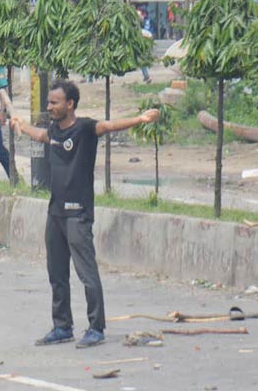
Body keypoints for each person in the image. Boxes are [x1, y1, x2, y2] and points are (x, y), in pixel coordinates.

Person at [9, 80, 160, 349]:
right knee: (56, 273)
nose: (49, 107)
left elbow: (109, 126)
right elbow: (40, 135)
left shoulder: (86, 129)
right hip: (55, 213)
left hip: (78, 214)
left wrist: (140, 118)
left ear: (70, 104)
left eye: (54, 102)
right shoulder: (54, 130)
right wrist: (20, 126)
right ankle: (62, 327)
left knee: (86, 273)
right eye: (48, 102)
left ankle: (96, 328)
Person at [140, 8, 154, 84]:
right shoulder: (145, 32)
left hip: (144, 48)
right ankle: (146, 76)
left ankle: (147, 77)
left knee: (142, 63)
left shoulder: (142, 32)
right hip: (146, 46)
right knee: (143, 63)